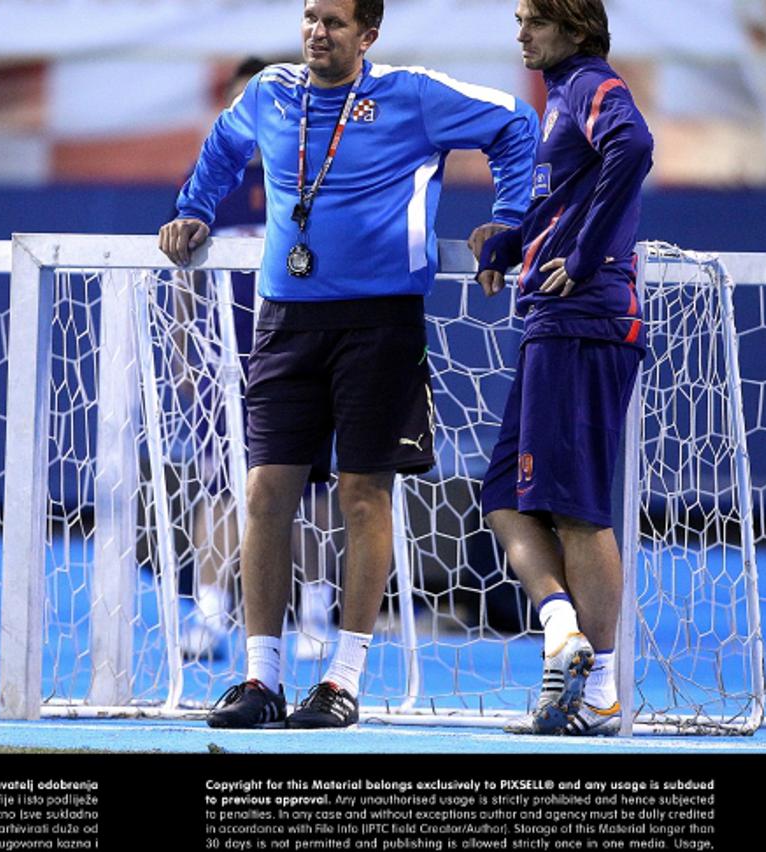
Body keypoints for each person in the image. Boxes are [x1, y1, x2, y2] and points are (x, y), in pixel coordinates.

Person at [159, 0, 539, 728]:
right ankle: (260, 678)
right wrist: (197, 208)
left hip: (379, 322)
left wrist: (513, 216)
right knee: (267, 491)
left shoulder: (413, 96)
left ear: (368, 35)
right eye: (309, 16)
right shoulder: (270, 93)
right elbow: (221, 148)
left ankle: (342, 679)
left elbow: (517, 123)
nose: (316, 32)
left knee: (363, 496)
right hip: (285, 321)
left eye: (333, 21)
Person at [472, 0, 654, 736]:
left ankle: (603, 694)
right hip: (554, 324)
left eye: (535, 20)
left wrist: (580, 260)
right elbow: (569, 202)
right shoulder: (560, 101)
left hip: (584, 322)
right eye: (518, 19)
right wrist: (514, 242)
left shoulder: (586, 82)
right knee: (502, 495)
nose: (520, 33)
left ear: (576, 28)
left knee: (576, 507)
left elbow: (634, 146)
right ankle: (561, 633)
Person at [173, 57, 341, 664]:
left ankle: (317, 610)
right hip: (225, 362)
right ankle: (211, 612)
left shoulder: (313, 171)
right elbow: (184, 272)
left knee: (312, 488)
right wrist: (185, 352)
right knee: (220, 488)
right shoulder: (209, 179)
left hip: (300, 351)